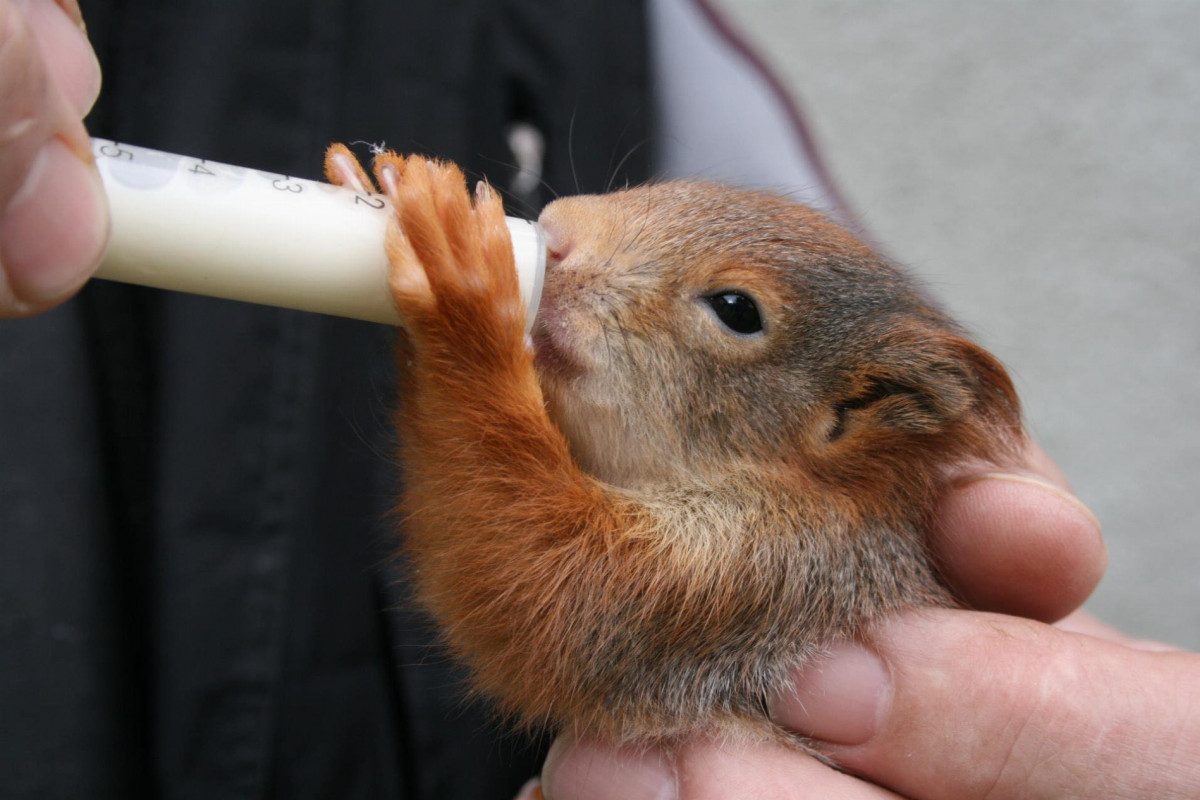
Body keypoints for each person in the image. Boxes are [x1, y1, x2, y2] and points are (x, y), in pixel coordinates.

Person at [3, 2, 1197, 799]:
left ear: (843, 420)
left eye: (733, 315)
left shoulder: (783, 544)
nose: (567, 234)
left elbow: (548, 605)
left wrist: (466, 344)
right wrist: (451, 329)